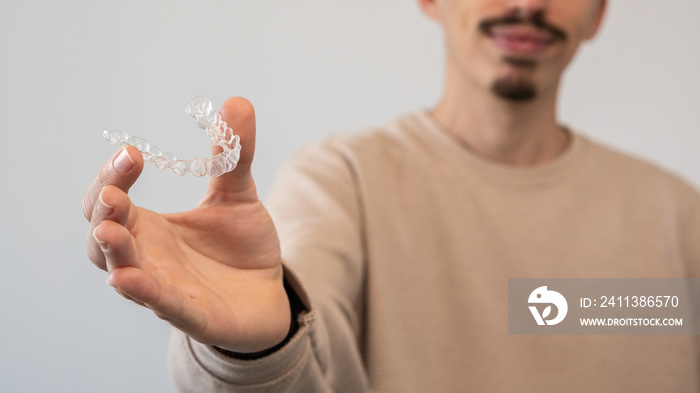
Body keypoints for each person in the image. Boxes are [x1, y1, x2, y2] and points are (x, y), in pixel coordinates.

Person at [83, 0, 700, 391]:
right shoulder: (342, 180)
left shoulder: (678, 216)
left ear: (598, 13)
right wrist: (260, 350)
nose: (526, 3)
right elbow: (294, 361)